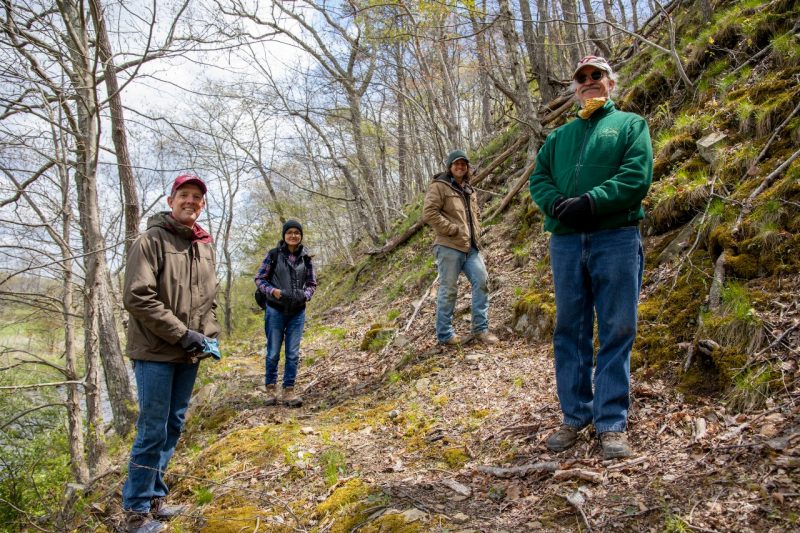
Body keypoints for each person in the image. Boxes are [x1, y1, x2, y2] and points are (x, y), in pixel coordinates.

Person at [529, 55, 653, 459]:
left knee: (617, 327)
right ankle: (574, 415)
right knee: (570, 330)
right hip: (566, 241)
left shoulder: (630, 125)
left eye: (596, 76)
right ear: (574, 87)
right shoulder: (558, 138)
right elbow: (539, 179)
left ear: (610, 82)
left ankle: (612, 421)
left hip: (615, 236)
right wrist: (558, 205)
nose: (588, 82)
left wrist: (592, 201)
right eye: (581, 78)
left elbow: (637, 176)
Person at [122, 174, 220, 532]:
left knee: (174, 426)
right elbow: (137, 296)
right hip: (154, 351)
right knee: (152, 429)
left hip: (188, 352)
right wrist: (183, 334)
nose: (190, 201)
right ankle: (134, 511)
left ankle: (154, 496)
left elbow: (210, 298)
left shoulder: (204, 246)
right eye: (184, 195)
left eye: (196, 197)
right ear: (171, 200)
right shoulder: (150, 241)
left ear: (202, 204)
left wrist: (208, 335)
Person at [422, 150, 499, 346]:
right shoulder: (439, 186)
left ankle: (480, 330)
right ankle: (445, 335)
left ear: (467, 168)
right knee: (448, 290)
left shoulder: (469, 190)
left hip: (471, 247)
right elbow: (429, 213)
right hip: (449, 245)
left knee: (482, 281)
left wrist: (477, 233)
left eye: (463, 164)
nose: (460, 167)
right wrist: (452, 229)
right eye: (456, 164)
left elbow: (476, 216)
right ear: (450, 166)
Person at [254, 219, 317, 407]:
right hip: (275, 310)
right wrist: (273, 291)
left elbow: (312, 283)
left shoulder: (306, 258)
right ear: (284, 235)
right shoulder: (273, 255)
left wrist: (305, 295)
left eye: (297, 233)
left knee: (293, 353)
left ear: (301, 236)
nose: (293, 235)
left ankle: (289, 390)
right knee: (273, 352)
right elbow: (259, 278)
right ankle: (271, 390)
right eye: (289, 232)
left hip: (297, 311)